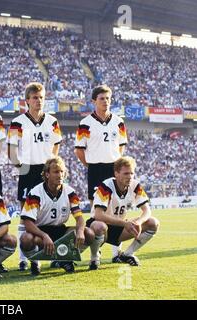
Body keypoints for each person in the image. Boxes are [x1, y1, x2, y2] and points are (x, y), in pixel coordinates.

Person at [7, 82, 62, 272]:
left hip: (46, 170)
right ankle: (24, 258)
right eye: (35, 98)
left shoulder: (52, 121)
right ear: (27, 101)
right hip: (28, 170)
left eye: (41, 97)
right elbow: (11, 149)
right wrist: (20, 165)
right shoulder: (18, 122)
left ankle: (54, 254)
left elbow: (56, 144)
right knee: (26, 216)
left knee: (49, 214)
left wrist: (52, 162)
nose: (39, 101)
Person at [20, 157, 104, 274]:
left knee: (88, 233)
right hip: (39, 231)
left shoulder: (70, 192)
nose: (60, 175)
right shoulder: (36, 192)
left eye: (62, 172)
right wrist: (44, 236)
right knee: (26, 239)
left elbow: (79, 218)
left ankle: (66, 258)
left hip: (60, 230)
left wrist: (80, 231)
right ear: (47, 174)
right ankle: (35, 261)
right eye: (56, 172)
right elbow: (28, 223)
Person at [74, 84, 127, 261]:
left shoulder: (118, 121)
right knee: (97, 211)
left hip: (114, 167)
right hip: (96, 169)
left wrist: (115, 165)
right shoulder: (85, 123)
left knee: (116, 210)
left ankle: (116, 252)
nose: (105, 102)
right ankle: (95, 252)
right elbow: (79, 150)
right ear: (93, 101)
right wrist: (91, 166)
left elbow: (121, 146)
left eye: (108, 98)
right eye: (102, 98)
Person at [86, 156, 160, 266]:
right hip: (100, 225)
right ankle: (94, 257)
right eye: (126, 173)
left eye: (131, 173)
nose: (130, 177)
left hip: (119, 227)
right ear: (116, 173)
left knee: (153, 223)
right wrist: (125, 223)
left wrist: (139, 222)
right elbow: (98, 215)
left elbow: (147, 210)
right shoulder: (106, 186)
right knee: (99, 226)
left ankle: (128, 254)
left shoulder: (135, 185)